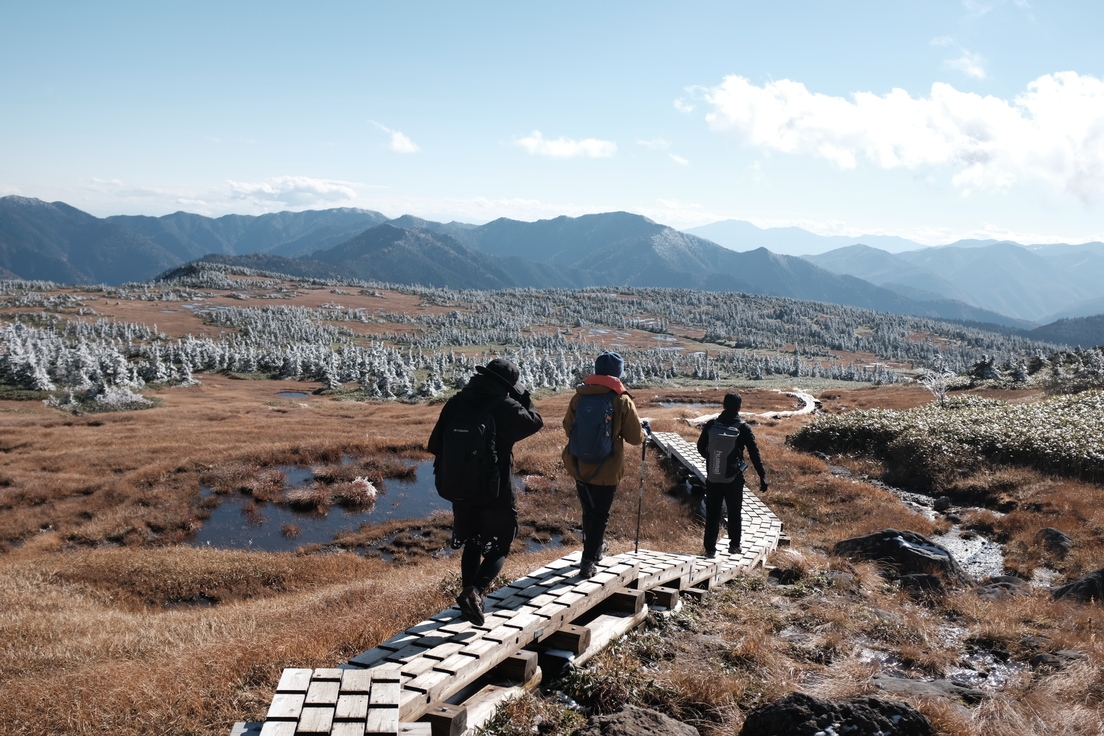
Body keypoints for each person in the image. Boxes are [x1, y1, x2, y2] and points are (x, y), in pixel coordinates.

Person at [428, 357, 543, 625]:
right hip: (496, 487)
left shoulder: (457, 401)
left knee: (472, 540)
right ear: (507, 385)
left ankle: (468, 599)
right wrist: (524, 395)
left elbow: (435, 444)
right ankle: (475, 591)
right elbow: (535, 421)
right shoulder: (504, 405)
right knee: (501, 543)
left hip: (460, 487)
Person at [562, 351, 644, 578]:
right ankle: (588, 561)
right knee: (600, 514)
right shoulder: (621, 399)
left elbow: (568, 427)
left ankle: (594, 549)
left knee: (589, 511)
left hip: (579, 464)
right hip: (607, 467)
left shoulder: (579, 396)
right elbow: (635, 438)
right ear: (618, 373)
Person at [696, 392, 768, 557]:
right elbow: (754, 453)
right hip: (733, 478)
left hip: (713, 477)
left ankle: (710, 549)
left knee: (713, 513)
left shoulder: (711, 425)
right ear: (739, 407)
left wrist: (714, 459)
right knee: (734, 512)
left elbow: (700, 448)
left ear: (723, 405)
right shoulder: (743, 428)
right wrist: (762, 476)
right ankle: (734, 546)